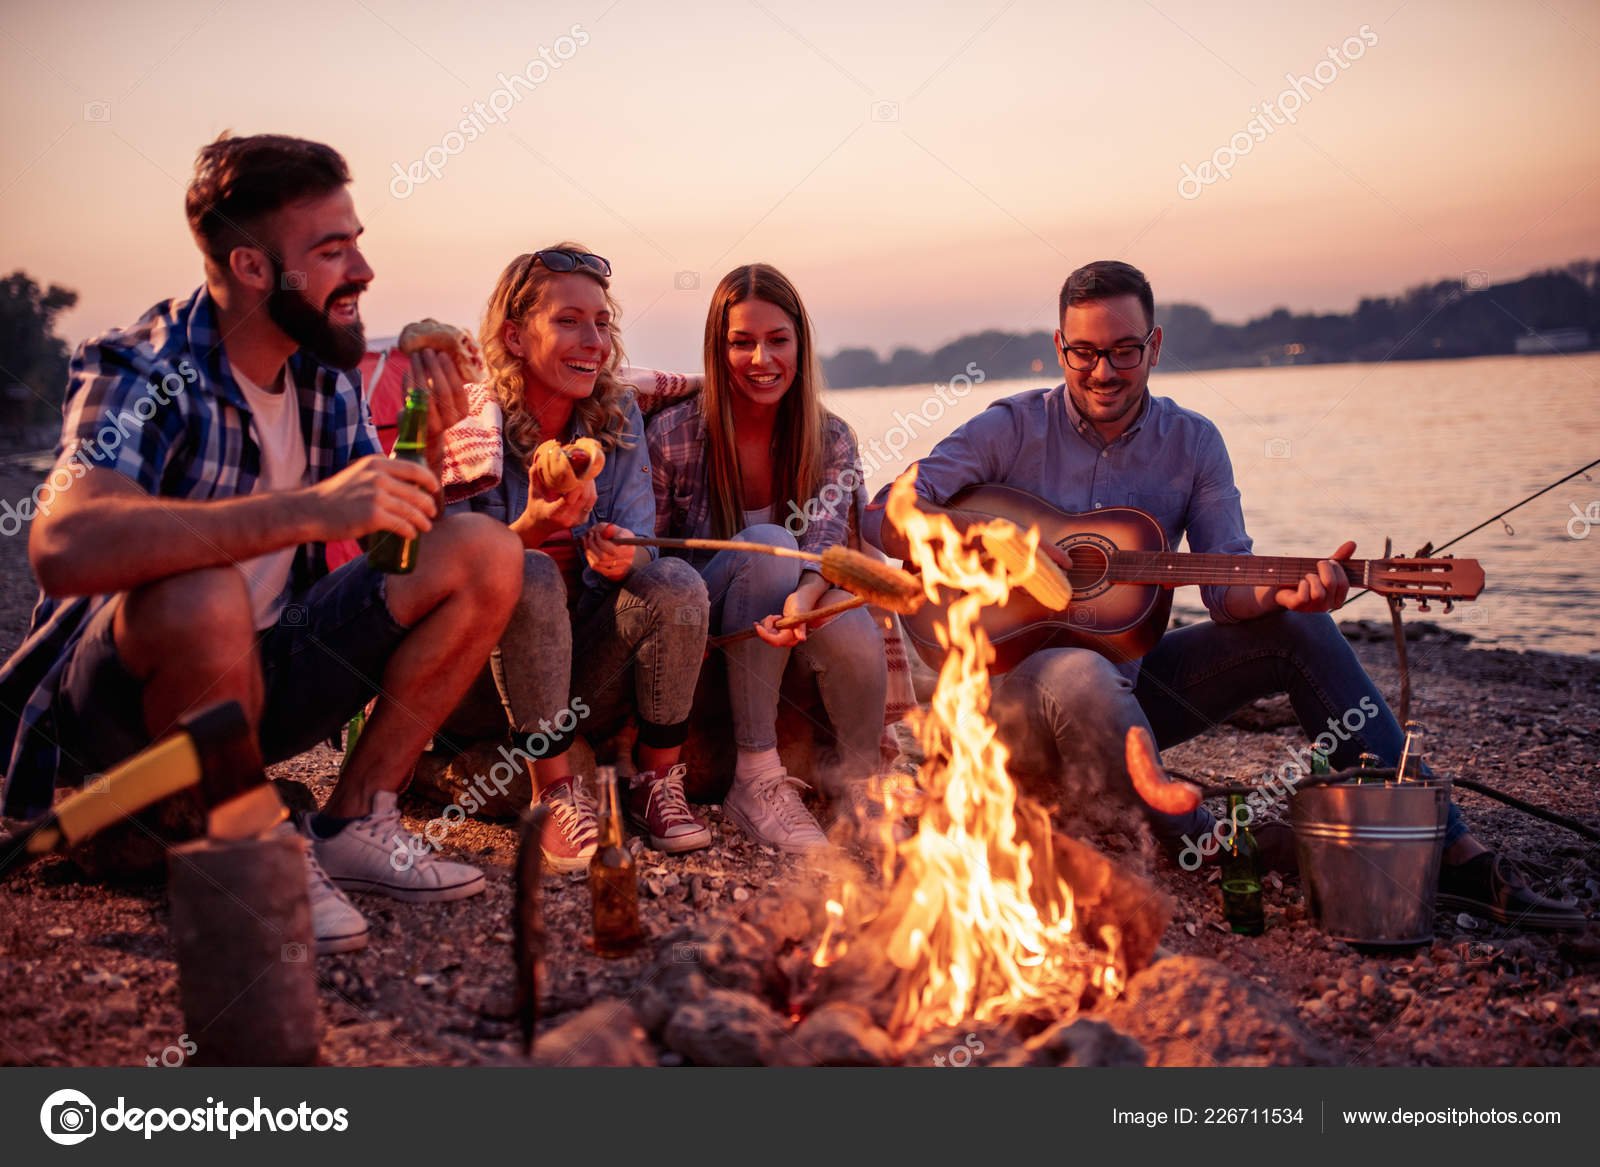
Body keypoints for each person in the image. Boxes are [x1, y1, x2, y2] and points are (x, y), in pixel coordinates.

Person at [867, 259, 1583, 931]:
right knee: (1078, 670)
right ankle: (1212, 844)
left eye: (1124, 349)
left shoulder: (1193, 443)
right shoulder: (1010, 427)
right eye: (1084, 351)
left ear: (1155, 345)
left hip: (1128, 700)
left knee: (1300, 634)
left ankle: (1447, 848)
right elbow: (883, 512)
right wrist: (994, 541)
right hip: (1005, 704)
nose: (1104, 370)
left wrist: (1290, 597)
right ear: (1059, 346)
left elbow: (1226, 589)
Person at [0, 133, 526, 954]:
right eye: (330, 249)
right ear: (252, 268)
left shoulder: (321, 371)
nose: (362, 270)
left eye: (356, 242)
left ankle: (355, 820)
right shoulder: (141, 367)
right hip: (125, 709)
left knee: (484, 550)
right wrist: (305, 511)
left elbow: (383, 541)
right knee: (204, 588)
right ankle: (256, 852)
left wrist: (424, 436)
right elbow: (62, 542)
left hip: (265, 679)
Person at [443, 246, 710, 870]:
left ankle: (653, 783)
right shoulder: (471, 427)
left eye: (602, 322)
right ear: (515, 335)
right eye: (568, 321)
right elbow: (452, 578)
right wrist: (532, 527)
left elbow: (642, 541)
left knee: (674, 579)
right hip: (481, 674)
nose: (593, 340)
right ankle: (554, 790)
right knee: (527, 568)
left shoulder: (614, 416)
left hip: (579, 664)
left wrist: (620, 561)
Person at [647, 264, 888, 854]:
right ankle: (755, 780)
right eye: (741, 342)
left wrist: (801, 605)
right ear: (717, 346)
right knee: (775, 546)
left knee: (852, 622)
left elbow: (826, 548)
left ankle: (858, 790)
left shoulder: (830, 437)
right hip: (702, 641)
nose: (762, 358)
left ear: (800, 345)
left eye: (777, 340)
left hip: (784, 632)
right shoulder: (677, 434)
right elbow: (650, 564)